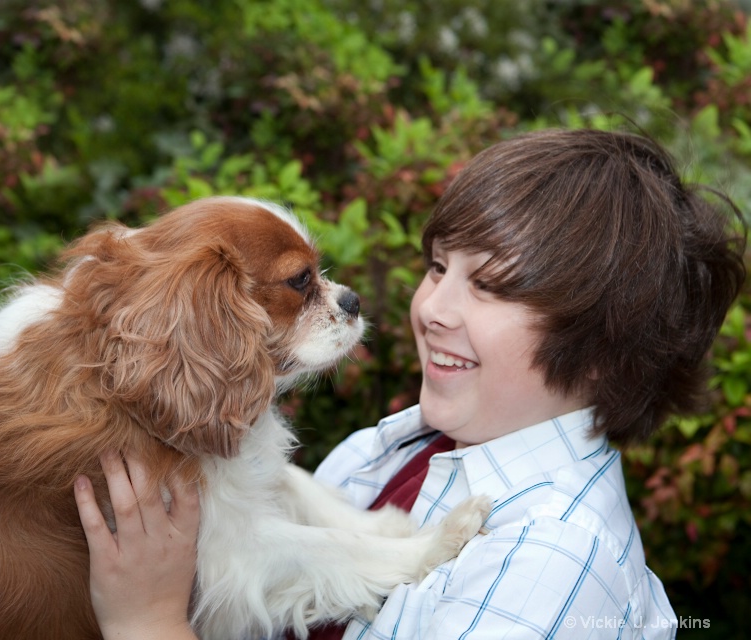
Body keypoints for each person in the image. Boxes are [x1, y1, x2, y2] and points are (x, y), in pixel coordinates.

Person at [75, 128, 747, 639]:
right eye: (438, 267)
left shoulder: (551, 567)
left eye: (488, 287)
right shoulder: (388, 450)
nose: (431, 308)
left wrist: (148, 620)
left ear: (605, 350)